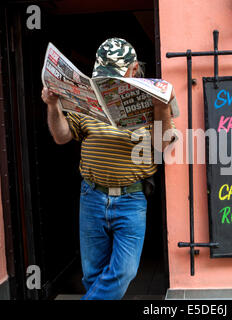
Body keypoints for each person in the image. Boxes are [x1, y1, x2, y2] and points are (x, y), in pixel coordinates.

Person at [41, 38, 175, 300]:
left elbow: (164, 144)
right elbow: (61, 136)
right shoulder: (88, 98)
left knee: (124, 271)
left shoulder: (151, 99)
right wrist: (53, 105)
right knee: (93, 274)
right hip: (91, 195)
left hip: (131, 199)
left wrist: (163, 106)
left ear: (134, 69)